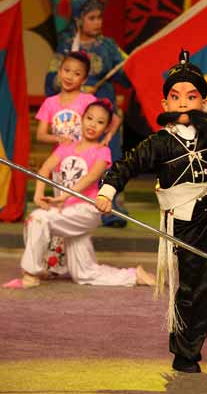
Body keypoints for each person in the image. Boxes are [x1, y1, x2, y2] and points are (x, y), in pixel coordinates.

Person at [95, 50, 207, 373]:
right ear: (165, 105)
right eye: (175, 97)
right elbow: (126, 165)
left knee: (202, 287)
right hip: (178, 221)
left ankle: (189, 350)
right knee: (186, 287)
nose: (182, 103)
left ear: (201, 102)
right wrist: (108, 190)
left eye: (191, 97)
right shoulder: (159, 142)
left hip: (206, 216)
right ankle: (183, 347)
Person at [2, 100, 155, 289]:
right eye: (89, 118)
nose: (92, 124)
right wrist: (38, 195)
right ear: (81, 120)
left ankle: (31, 273)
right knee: (84, 273)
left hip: (86, 210)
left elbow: (91, 178)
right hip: (65, 209)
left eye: (100, 122)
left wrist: (63, 197)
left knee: (37, 219)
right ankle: (134, 275)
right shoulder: (66, 147)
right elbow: (45, 169)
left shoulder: (102, 152)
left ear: (106, 128)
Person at [45, 0, 131, 227]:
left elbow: (126, 78)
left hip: (103, 111)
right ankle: (72, 201)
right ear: (78, 20)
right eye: (92, 18)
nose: (97, 23)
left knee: (107, 156)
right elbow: (50, 80)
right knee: (78, 158)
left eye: (99, 18)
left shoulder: (109, 47)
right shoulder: (65, 48)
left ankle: (109, 207)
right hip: (77, 115)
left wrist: (132, 65)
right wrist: (80, 88)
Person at [36, 50, 120, 273]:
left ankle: (73, 265)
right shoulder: (51, 103)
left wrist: (106, 139)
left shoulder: (88, 100)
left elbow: (114, 118)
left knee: (71, 214)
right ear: (59, 71)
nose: (70, 76)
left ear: (84, 79)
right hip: (60, 167)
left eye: (77, 73)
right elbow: (40, 135)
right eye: (66, 70)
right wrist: (58, 138)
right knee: (58, 211)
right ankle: (55, 266)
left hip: (84, 165)